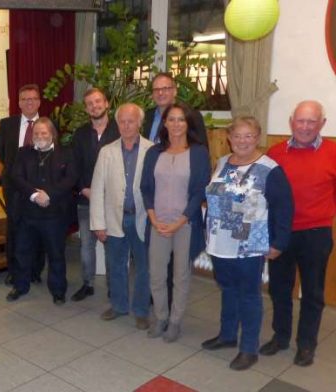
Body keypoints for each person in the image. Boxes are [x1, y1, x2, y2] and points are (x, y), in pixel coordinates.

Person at [202, 116, 293, 371]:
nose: (242, 141)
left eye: (249, 136)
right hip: (219, 242)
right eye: (237, 136)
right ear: (229, 138)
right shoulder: (222, 162)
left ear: (257, 137)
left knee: (249, 296)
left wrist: (279, 242)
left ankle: (249, 349)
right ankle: (228, 336)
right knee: (228, 290)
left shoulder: (270, 169)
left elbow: (284, 208)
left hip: (249, 246)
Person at [261, 100, 336, 367]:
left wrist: (322, 213)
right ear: (292, 121)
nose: (305, 127)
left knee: (313, 293)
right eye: (300, 121)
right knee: (279, 289)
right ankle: (280, 337)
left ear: (322, 124)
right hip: (281, 233)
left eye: (311, 121)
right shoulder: (275, 153)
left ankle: (306, 344)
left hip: (316, 234)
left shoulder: (333, 152)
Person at [140, 102, 210, 343]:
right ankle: (160, 316)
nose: (176, 124)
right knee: (156, 274)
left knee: (180, 276)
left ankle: (175, 321)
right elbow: (145, 188)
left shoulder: (198, 152)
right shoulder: (154, 152)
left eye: (181, 119)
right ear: (164, 123)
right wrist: (153, 218)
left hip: (185, 225)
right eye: (171, 119)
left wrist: (179, 222)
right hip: (157, 223)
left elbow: (200, 191)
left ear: (188, 123)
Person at [90, 103, 153, 329]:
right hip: (114, 218)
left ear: (139, 123)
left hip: (143, 219)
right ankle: (118, 305)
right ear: (117, 124)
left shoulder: (152, 150)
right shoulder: (106, 152)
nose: (127, 125)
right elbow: (97, 189)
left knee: (144, 267)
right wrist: (98, 223)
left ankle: (141, 310)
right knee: (116, 265)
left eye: (131, 121)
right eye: (122, 121)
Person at [5, 117, 77, 305]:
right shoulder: (23, 153)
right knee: (22, 252)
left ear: (52, 134)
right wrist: (34, 195)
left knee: (56, 255)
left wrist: (49, 195)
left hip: (54, 215)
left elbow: (70, 179)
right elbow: (16, 176)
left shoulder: (66, 153)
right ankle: (20, 286)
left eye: (44, 132)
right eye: (36, 133)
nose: (39, 136)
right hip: (27, 214)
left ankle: (58, 290)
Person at [70, 87, 120, 301]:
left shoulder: (120, 130)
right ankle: (88, 283)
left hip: (113, 200)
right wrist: (83, 188)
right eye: (90, 103)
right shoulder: (80, 134)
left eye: (98, 101)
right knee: (87, 245)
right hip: (86, 198)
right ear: (86, 108)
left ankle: (113, 286)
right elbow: (74, 166)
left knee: (112, 245)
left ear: (107, 103)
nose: (95, 106)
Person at [0, 84, 46, 284]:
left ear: (39, 102)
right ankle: (14, 270)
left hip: (39, 187)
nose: (29, 102)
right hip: (14, 187)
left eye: (33, 98)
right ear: (18, 103)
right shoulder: (7, 124)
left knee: (39, 227)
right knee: (14, 228)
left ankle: (35, 270)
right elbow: (1, 153)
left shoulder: (47, 124)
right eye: (25, 99)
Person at [142, 72, 208, 147]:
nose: (160, 93)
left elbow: (202, 149)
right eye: (156, 89)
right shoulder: (146, 116)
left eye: (165, 88)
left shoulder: (192, 116)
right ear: (152, 94)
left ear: (175, 91)